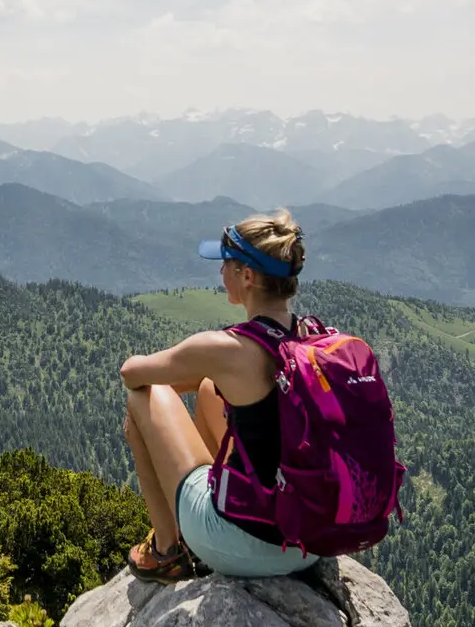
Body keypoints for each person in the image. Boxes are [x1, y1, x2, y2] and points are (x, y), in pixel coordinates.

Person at [117, 209, 323, 583]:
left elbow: (132, 373)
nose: (220, 272)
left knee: (144, 396)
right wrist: (203, 377)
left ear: (247, 276)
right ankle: (230, 497)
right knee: (212, 389)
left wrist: (169, 392)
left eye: (226, 264)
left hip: (248, 548)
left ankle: (167, 551)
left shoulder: (227, 348)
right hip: (311, 543)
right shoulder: (311, 338)